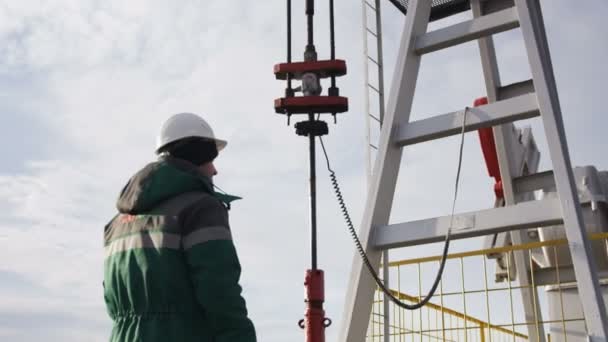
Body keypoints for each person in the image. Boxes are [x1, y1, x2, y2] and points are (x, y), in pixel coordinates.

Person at [103, 113, 257, 342]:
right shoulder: (200, 208)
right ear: (197, 157)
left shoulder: (115, 225)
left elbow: (111, 300)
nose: (215, 171)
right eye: (211, 160)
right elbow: (220, 293)